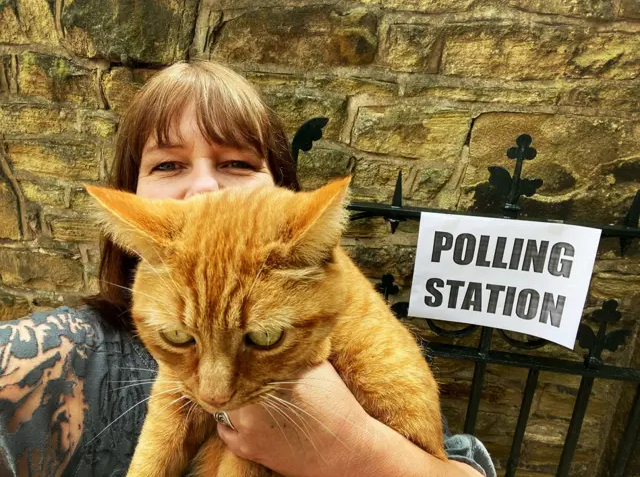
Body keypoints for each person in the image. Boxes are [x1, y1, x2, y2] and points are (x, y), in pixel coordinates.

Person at [0, 61, 496, 477]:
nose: (205, 191)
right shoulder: (60, 352)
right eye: (167, 166)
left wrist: (355, 446)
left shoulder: (322, 292)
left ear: (279, 183)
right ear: (132, 196)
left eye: (236, 163)